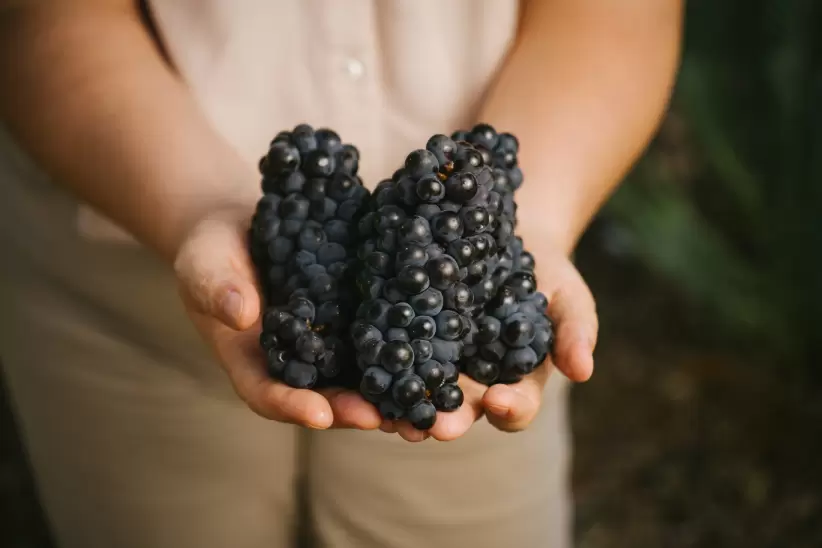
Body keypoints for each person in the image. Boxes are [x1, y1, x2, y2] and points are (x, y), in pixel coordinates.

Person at [0, 1, 683, 547]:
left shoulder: (464, 284)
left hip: (462, 327)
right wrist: (201, 209)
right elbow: (39, 20)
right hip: (120, 247)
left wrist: (533, 222)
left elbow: (618, 15)